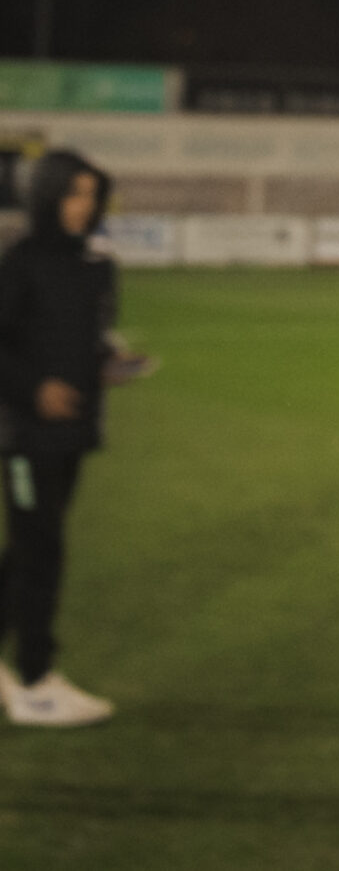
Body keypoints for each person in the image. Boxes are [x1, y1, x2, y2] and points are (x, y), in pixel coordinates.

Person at [0, 150, 120, 728]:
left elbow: (91, 340)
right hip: (25, 436)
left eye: (91, 195)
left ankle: (28, 673)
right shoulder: (19, 262)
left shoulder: (95, 265)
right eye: (74, 193)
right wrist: (34, 389)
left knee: (28, 550)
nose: (84, 206)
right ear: (47, 197)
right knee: (40, 553)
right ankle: (36, 681)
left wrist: (110, 362)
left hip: (73, 432)